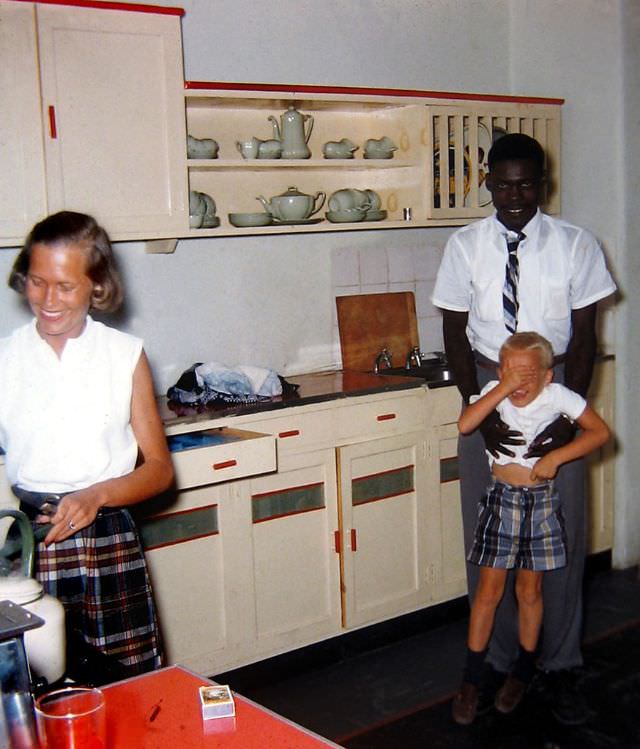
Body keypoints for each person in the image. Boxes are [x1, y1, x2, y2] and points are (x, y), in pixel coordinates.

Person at [432, 133, 616, 724]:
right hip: (489, 390)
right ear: (487, 182)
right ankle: (492, 660)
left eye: (527, 183)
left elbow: (585, 338)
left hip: (556, 390)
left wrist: (566, 421)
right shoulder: (464, 246)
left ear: (544, 182)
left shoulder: (575, 245)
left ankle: (554, 662)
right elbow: (455, 334)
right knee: (486, 542)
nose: (514, 195)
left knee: (557, 542)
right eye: (504, 183)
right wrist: (478, 411)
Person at [0, 211, 174, 678]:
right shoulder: (6, 359)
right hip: (30, 540)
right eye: (37, 282)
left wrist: (96, 496)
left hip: (107, 538)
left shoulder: (124, 355)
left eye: (65, 286)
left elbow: (159, 469)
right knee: (35, 687)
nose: (47, 299)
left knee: (125, 686)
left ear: (96, 287)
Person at [451, 332, 610, 725]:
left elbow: (600, 432)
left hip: (540, 505)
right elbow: (467, 423)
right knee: (488, 591)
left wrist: (557, 457)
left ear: (547, 376)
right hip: (502, 502)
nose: (517, 382)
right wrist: (500, 388)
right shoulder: (495, 391)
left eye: (526, 374)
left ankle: (522, 671)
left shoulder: (558, 398)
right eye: (508, 371)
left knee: (530, 590)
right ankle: (471, 681)